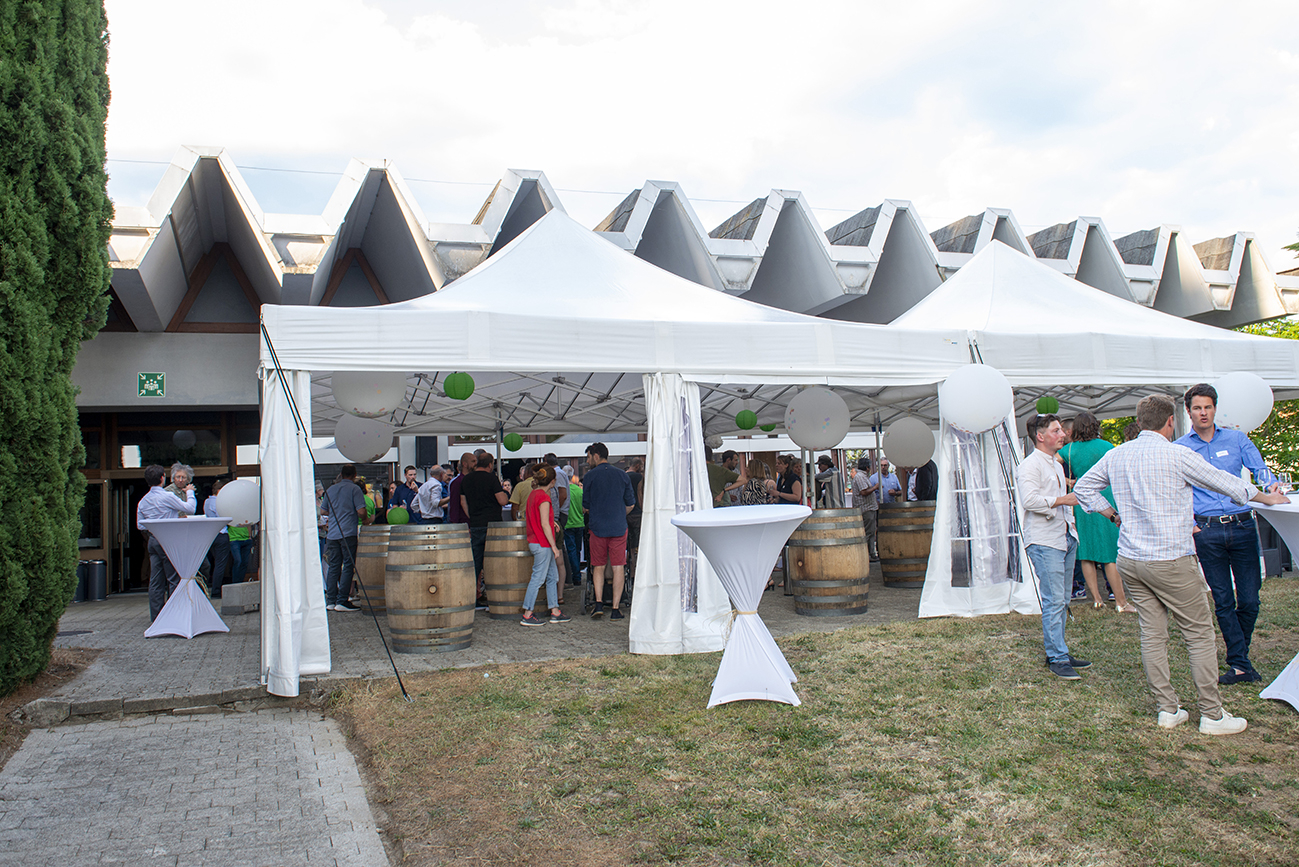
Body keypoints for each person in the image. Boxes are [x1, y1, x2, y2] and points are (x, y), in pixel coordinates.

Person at [1075, 394, 1288, 734]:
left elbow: (1084, 488)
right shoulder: (1176, 453)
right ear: (1171, 422)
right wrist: (1267, 497)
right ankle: (1213, 715)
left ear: (1140, 421)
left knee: (1152, 634)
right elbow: (1226, 483)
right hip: (1170, 558)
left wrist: (1112, 515)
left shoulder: (1118, 454)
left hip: (1131, 559)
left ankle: (1168, 709)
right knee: (1199, 634)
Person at [1175, 383, 1281, 684]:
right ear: (1189, 411)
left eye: (1208, 407)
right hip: (1207, 530)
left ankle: (1238, 657)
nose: (1203, 412)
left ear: (1215, 408)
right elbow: (1175, 490)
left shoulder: (1236, 438)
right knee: (1222, 600)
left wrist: (1270, 484)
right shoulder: (1180, 448)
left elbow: (1260, 470)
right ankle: (1239, 664)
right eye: (1197, 408)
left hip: (1243, 525)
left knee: (1249, 600)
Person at [1016, 413, 1088, 681]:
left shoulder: (1057, 465)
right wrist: (1063, 499)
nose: (1063, 434)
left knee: (1064, 599)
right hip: (1045, 540)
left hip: (1065, 537)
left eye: (1062, 430)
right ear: (1040, 436)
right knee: (1054, 599)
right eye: (1057, 431)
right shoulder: (1030, 466)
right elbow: (1030, 501)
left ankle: (1061, 649)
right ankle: (1056, 656)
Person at [1060, 411, 1131, 613]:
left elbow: (1050, 462)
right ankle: (1120, 601)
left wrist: (1068, 482)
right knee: (1109, 553)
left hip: (1080, 499)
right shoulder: (1107, 447)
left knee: (1087, 553)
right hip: (1104, 497)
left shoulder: (1069, 449)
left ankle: (1096, 600)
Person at [137, 464, 196, 621]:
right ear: (163, 478)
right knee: (173, 579)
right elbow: (190, 509)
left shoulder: (143, 501)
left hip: (153, 540)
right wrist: (190, 493)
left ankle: (157, 618)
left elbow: (140, 525)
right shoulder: (167, 496)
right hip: (169, 540)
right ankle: (174, 616)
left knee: (155, 581)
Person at [583, 442, 635, 619]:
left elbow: (586, 505)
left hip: (597, 528)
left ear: (596, 455)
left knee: (598, 566)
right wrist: (620, 513)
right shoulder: (622, 475)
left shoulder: (590, 476)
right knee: (618, 566)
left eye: (589, 457)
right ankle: (615, 608)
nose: (588, 460)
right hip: (619, 528)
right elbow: (631, 503)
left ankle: (598, 604)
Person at [519, 464, 571, 626]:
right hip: (542, 543)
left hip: (536, 541)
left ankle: (554, 610)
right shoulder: (544, 497)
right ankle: (528, 613)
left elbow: (540, 519)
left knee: (551, 577)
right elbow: (544, 524)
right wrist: (554, 547)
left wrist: (552, 522)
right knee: (539, 578)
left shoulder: (534, 494)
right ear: (553, 481)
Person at [460, 453, 509, 601]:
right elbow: (502, 501)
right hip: (493, 525)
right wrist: (506, 494)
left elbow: (463, 502)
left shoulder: (466, 479)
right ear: (490, 464)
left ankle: (472, 594)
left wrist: (473, 516)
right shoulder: (491, 478)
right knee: (493, 561)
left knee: (476, 562)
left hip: (475, 524)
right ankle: (493, 594)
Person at [320, 464, 367, 612]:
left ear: (341, 474)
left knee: (334, 566)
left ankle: (330, 601)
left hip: (332, 534)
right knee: (348, 566)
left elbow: (323, 511)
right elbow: (361, 511)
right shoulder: (355, 489)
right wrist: (364, 517)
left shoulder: (331, 489)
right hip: (348, 533)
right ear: (354, 475)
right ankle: (342, 601)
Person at [202, 478, 232, 599]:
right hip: (221, 533)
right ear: (220, 490)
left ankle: (208, 587)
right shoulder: (219, 502)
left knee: (213, 563)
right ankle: (215, 591)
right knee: (220, 564)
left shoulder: (207, 502)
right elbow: (224, 516)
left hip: (211, 534)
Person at [851, 456, 880, 559]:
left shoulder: (862, 476)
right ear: (867, 467)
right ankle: (868, 554)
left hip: (869, 507)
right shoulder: (860, 477)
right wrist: (875, 488)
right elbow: (863, 492)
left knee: (871, 531)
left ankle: (871, 553)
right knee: (868, 532)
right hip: (866, 508)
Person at [564, 472, 585, 586]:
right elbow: (584, 509)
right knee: (577, 550)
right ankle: (577, 574)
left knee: (571, 550)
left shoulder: (564, 492)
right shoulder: (579, 491)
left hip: (568, 524)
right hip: (579, 523)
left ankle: (576, 575)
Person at [625, 457, 644, 585]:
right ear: (637, 466)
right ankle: (635, 573)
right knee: (637, 545)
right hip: (637, 514)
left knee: (627, 544)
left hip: (625, 513)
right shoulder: (639, 478)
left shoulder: (623, 476)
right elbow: (640, 494)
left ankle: (628, 571)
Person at [446, 452, 476, 525]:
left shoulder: (475, 480)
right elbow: (454, 504)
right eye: (473, 461)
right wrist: (455, 523)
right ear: (464, 464)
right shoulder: (457, 482)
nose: (476, 464)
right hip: (463, 522)